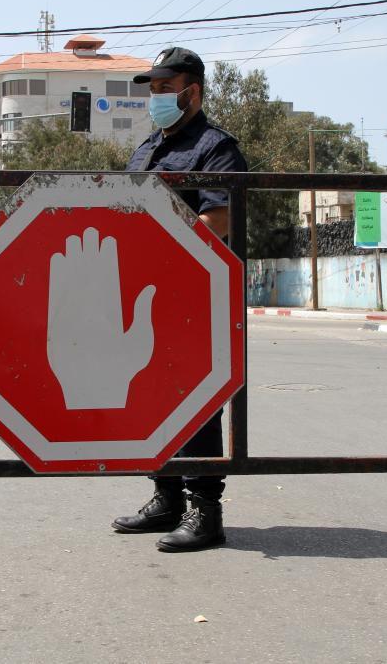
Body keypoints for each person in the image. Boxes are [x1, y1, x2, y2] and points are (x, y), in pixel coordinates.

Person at [111, 47, 248, 553]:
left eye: (166, 88)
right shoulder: (147, 148)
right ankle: (166, 497)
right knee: (150, 393)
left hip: (192, 293)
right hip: (143, 290)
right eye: (153, 89)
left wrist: (164, 253)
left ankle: (204, 510)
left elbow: (220, 217)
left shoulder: (216, 148)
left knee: (195, 399)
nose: (157, 97)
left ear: (193, 91)